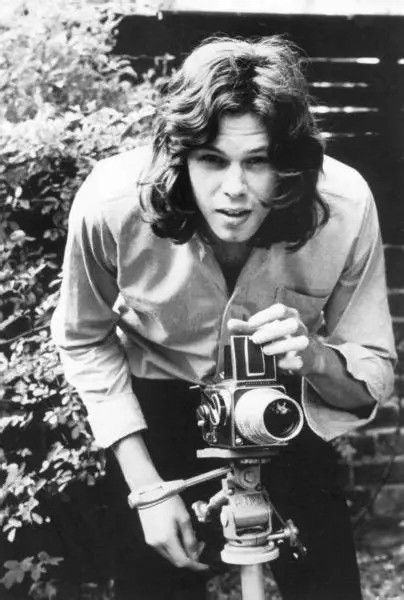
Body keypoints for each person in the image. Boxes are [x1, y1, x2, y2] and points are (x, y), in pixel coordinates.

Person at [51, 36, 396, 600]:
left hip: (284, 409)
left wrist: (315, 357)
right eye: (211, 160)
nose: (234, 190)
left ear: (289, 164)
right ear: (179, 155)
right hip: (160, 416)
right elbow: (82, 337)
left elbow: (368, 382)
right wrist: (147, 487)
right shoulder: (111, 203)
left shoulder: (345, 206)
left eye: (258, 161)